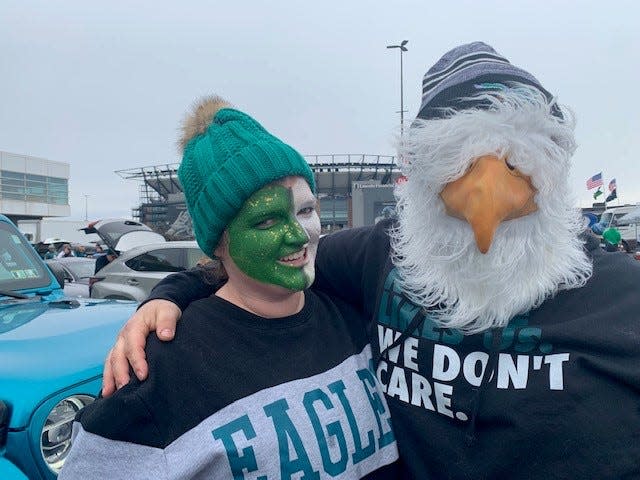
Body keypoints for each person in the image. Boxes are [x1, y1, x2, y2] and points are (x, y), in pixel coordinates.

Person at [104, 42, 640, 479]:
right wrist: (170, 296)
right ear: (426, 183)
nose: (490, 198)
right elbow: (263, 271)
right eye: (460, 167)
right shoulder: (382, 258)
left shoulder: (623, 299)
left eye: (518, 163)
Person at [60, 97, 399, 479]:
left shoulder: (350, 310)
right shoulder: (165, 369)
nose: (298, 234)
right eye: (267, 221)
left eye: (305, 210)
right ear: (218, 243)